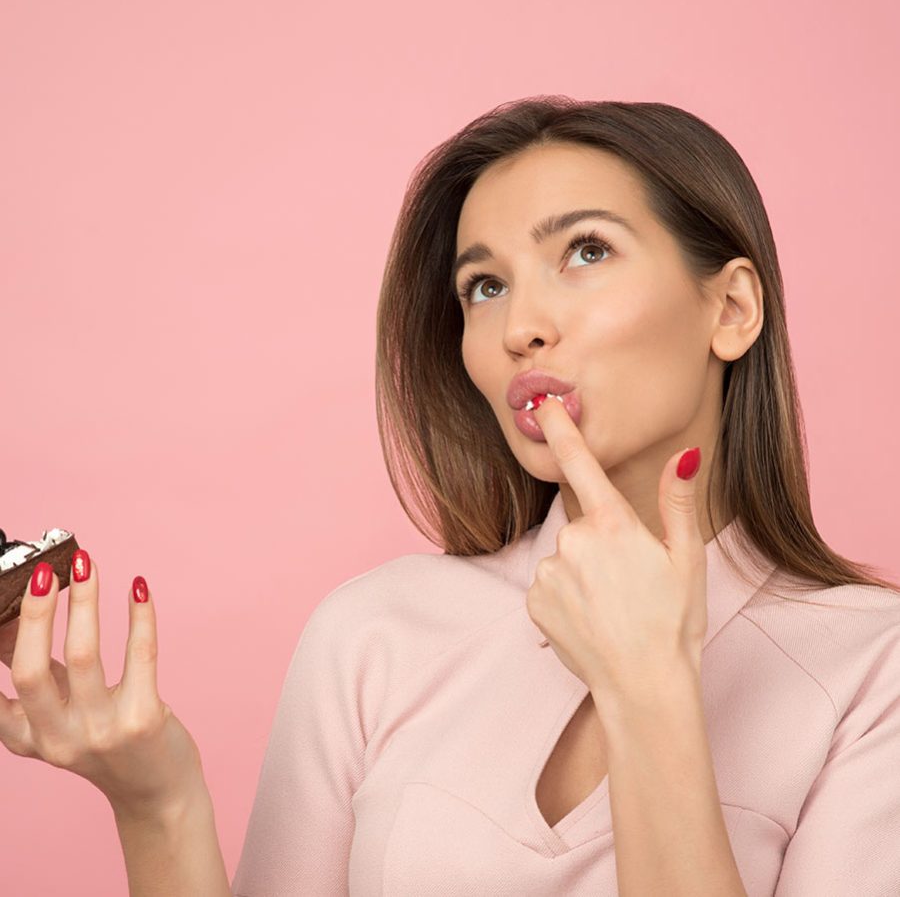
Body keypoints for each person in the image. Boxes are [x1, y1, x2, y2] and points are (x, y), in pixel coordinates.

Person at [2, 98, 898, 896]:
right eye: (485, 285)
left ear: (732, 309)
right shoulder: (379, 633)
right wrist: (157, 800)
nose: (519, 328)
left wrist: (649, 690)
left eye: (586, 251)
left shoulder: (873, 672)